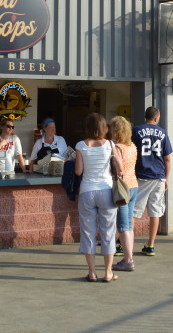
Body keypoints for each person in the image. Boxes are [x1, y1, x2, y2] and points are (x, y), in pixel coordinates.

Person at [74, 112, 121, 282]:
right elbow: (120, 167)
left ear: (87, 127)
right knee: (108, 232)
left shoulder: (80, 145)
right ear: (104, 128)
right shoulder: (110, 144)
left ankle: (92, 272)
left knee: (88, 232)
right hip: (106, 190)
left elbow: (78, 171)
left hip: (87, 191)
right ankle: (108, 272)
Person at [132, 106, 173, 257]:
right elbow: (167, 158)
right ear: (157, 118)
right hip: (159, 176)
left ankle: (121, 243)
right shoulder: (163, 133)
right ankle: (150, 245)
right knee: (155, 212)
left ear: (145, 117)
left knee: (134, 212)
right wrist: (166, 178)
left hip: (141, 176)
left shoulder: (136, 131)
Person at [109, 115, 138, 272]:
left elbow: (119, 169)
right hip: (133, 185)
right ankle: (129, 257)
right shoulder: (132, 146)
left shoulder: (116, 147)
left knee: (123, 226)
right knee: (129, 225)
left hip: (122, 189)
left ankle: (128, 260)